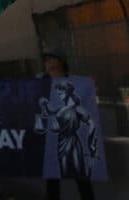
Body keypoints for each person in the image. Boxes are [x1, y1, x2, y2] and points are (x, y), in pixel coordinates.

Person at [40, 49, 96, 200]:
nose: (47, 62)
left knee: (81, 178)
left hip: (73, 140)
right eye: (46, 59)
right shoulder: (41, 83)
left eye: (51, 59)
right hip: (52, 141)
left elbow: (86, 113)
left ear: (60, 62)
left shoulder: (75, 85)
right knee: (52, 179)